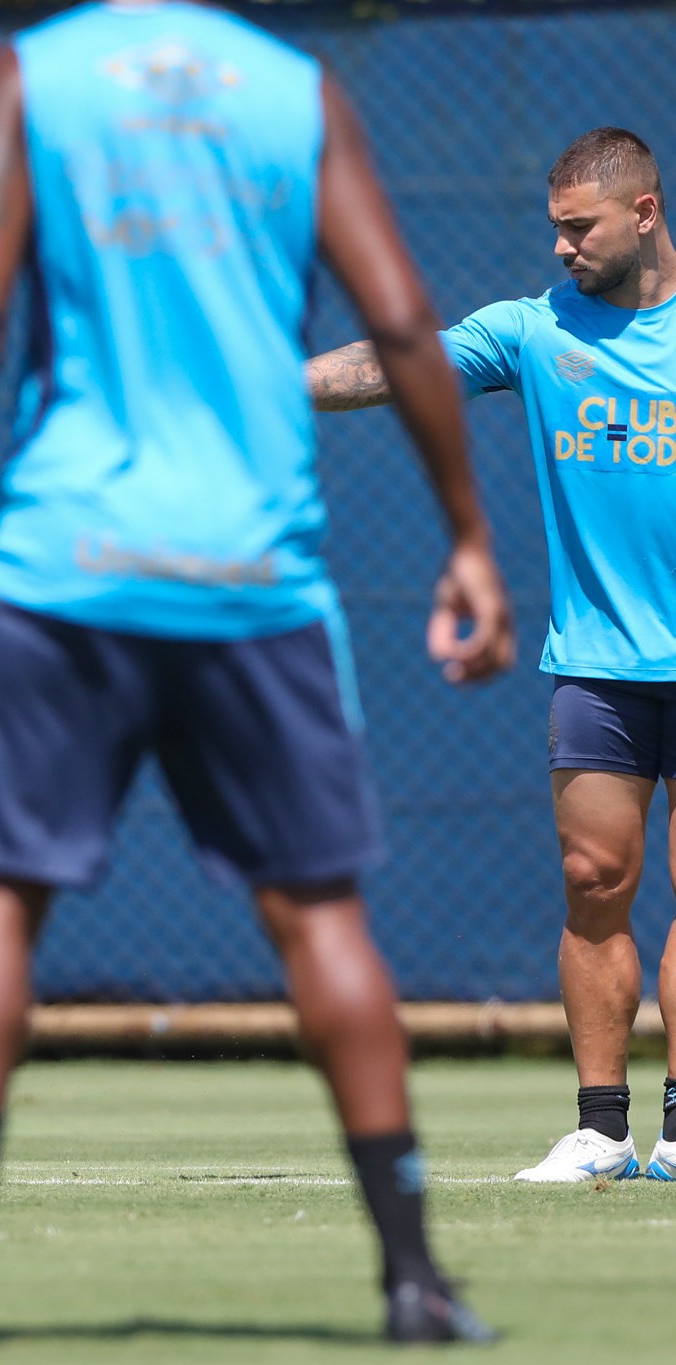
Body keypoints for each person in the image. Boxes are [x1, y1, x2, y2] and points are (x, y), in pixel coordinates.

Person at [0, 1, 512, 1344]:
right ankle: (415, 1283)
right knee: (320, 919)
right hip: (254, 573)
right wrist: (468, 536)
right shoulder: (297, 93)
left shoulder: (26, 77)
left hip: (64, 565)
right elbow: (402, 319)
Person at [310, 127, 676, 1185]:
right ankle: (601, 1132)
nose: (561, 246)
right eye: (554, 228)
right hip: (597, 665)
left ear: (643, 212)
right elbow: (399, 363)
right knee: (591, 882)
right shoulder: (530, 329)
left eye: (579, 227)